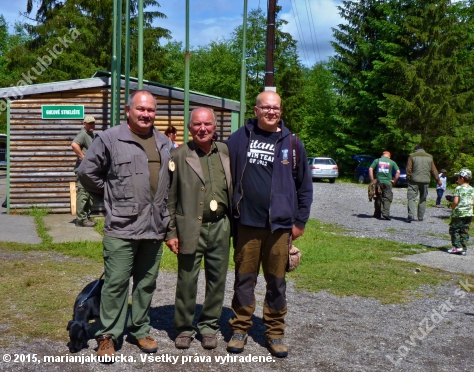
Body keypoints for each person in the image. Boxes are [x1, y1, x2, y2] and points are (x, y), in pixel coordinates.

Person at [77, 90, 173, 357]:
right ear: (128, 110)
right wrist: (110, 193)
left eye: (151, 110)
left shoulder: (164, 141)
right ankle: (107, 335)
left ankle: (140, 329)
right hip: (123, 225)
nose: (146, 114)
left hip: (155, 226)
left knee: (146, 283)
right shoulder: (109, 138)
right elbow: (86, 172)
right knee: (116, 282)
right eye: (141, 109)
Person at [225, 91, 313, 358]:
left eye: (275, 108)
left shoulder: (293, 143)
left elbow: (304, 186)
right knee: (244, 279)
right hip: (247, 224)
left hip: (279, 227)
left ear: (281, 112)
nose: (271, 112)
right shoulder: (239, 138)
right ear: (256, 110)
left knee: (276, 282)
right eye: (266, 108)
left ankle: (275, 332)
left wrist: (300, 221)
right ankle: (240, 328)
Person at [165, 108, 232, 350]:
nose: (202, 128)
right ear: (189, 127)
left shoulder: (224, 151)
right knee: (187, 280)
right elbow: (169, 198)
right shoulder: (178, 155)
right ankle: (183, 328)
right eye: (197, 124)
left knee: (217, 279)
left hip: (221, 226)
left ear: (215, 126)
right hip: (190, 227)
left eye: (207, 124)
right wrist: (171, 232)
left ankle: (209, 327)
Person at [71, 115, 96, 227]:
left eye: (93, 123)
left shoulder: (91, 134)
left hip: (90, 170)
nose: (92, 125)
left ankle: (86, 217)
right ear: (84, 124)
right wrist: (83, 157)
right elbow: (74, 144)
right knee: (84, 194)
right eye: (89, 123)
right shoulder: (83, 134)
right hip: (83, 170)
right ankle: (81, 220)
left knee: (90, 195)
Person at [406, 145, 442, 222]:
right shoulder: (429, 157)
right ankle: (420, 217)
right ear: (423, 149)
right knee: (423, 199)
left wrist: (408, 178)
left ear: (415, 150)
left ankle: (411, 215)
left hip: (414, 180)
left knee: (411, 198)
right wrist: (438, 180)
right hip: (425, 180)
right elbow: (434, 170)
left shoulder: (412, 156)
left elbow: (409, 169)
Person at [448, 169, 474, 255]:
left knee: (454, 229)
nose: (457, 179)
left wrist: (453, 208)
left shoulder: (458, 188)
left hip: (459, 213)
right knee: (464, 230)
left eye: (458, 177)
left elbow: (456, 201)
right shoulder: (472, 189)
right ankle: (463, 248)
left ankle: (457, 247)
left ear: (462, 178)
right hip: (469, 213)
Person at [368, 151, 400, 220]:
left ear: (382, 155)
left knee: (377, 197)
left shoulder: (377, 160)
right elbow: (398, 171)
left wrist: (372, 179)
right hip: (388, 182)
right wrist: (394, 180)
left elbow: (370, 168)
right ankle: (386, 213)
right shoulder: (392, 162)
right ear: (389, 156)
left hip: (378, 182)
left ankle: (377, 214)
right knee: (387, 198)